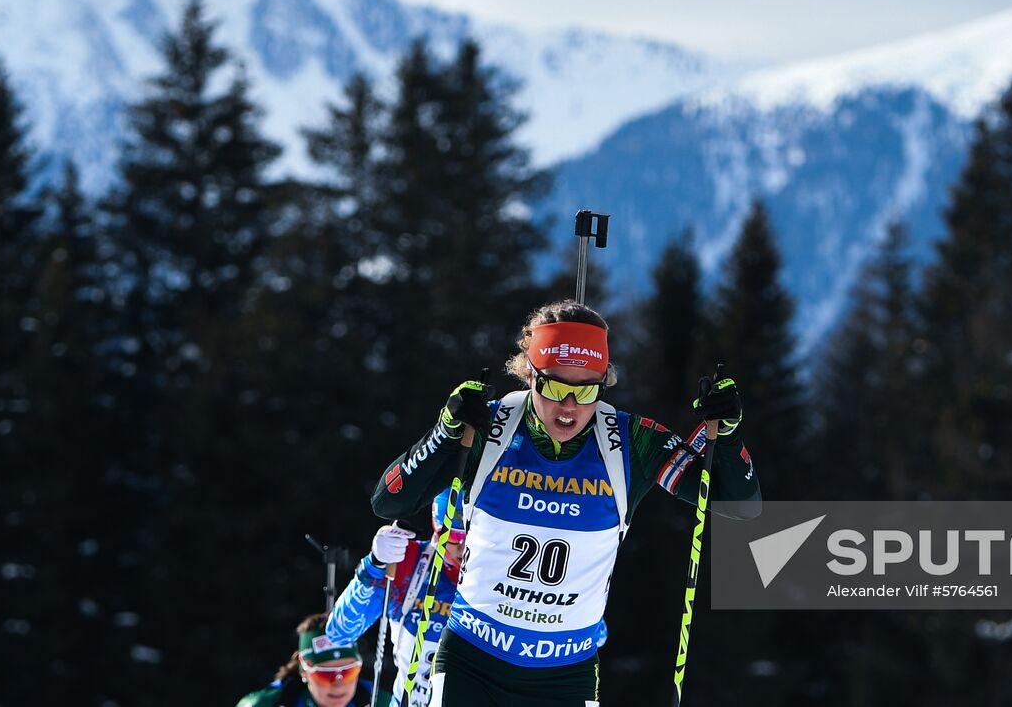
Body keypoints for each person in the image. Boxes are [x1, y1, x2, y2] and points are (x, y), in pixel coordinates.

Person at [371, 300, 761, 706]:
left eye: (587, 389)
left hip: (564, 673)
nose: (570, 406)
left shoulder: (631, 442)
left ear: (604, 382)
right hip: (473, 659)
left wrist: (728, 434)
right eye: (555, 387)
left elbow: (741, 507)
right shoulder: (488, 426)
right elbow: (390, 501)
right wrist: (445, 433)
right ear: (529, 375)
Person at [326, 488, 465, 707]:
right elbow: (339, 633)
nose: (462, 548)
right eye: (453, 537)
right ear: (437, 531)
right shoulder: (411, 564)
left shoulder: (504, 578)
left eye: (470, 538)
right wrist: (374, 565)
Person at [237, 613, 375, 707]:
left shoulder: (382, 702)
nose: (338, 684)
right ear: (304, 671)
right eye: (325, 674)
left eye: (348, 672)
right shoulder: (264, 704)